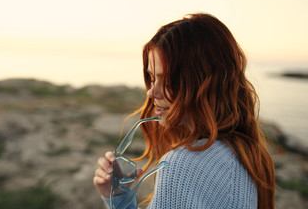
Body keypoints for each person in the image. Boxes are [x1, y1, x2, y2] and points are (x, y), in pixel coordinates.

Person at [93, 13, 275, 208]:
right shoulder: (245, 153)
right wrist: (118, 194)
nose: (151, 91)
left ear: (206, 85)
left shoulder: (182, 165)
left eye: (169, 81)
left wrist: (119, 200)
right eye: (152, 78)